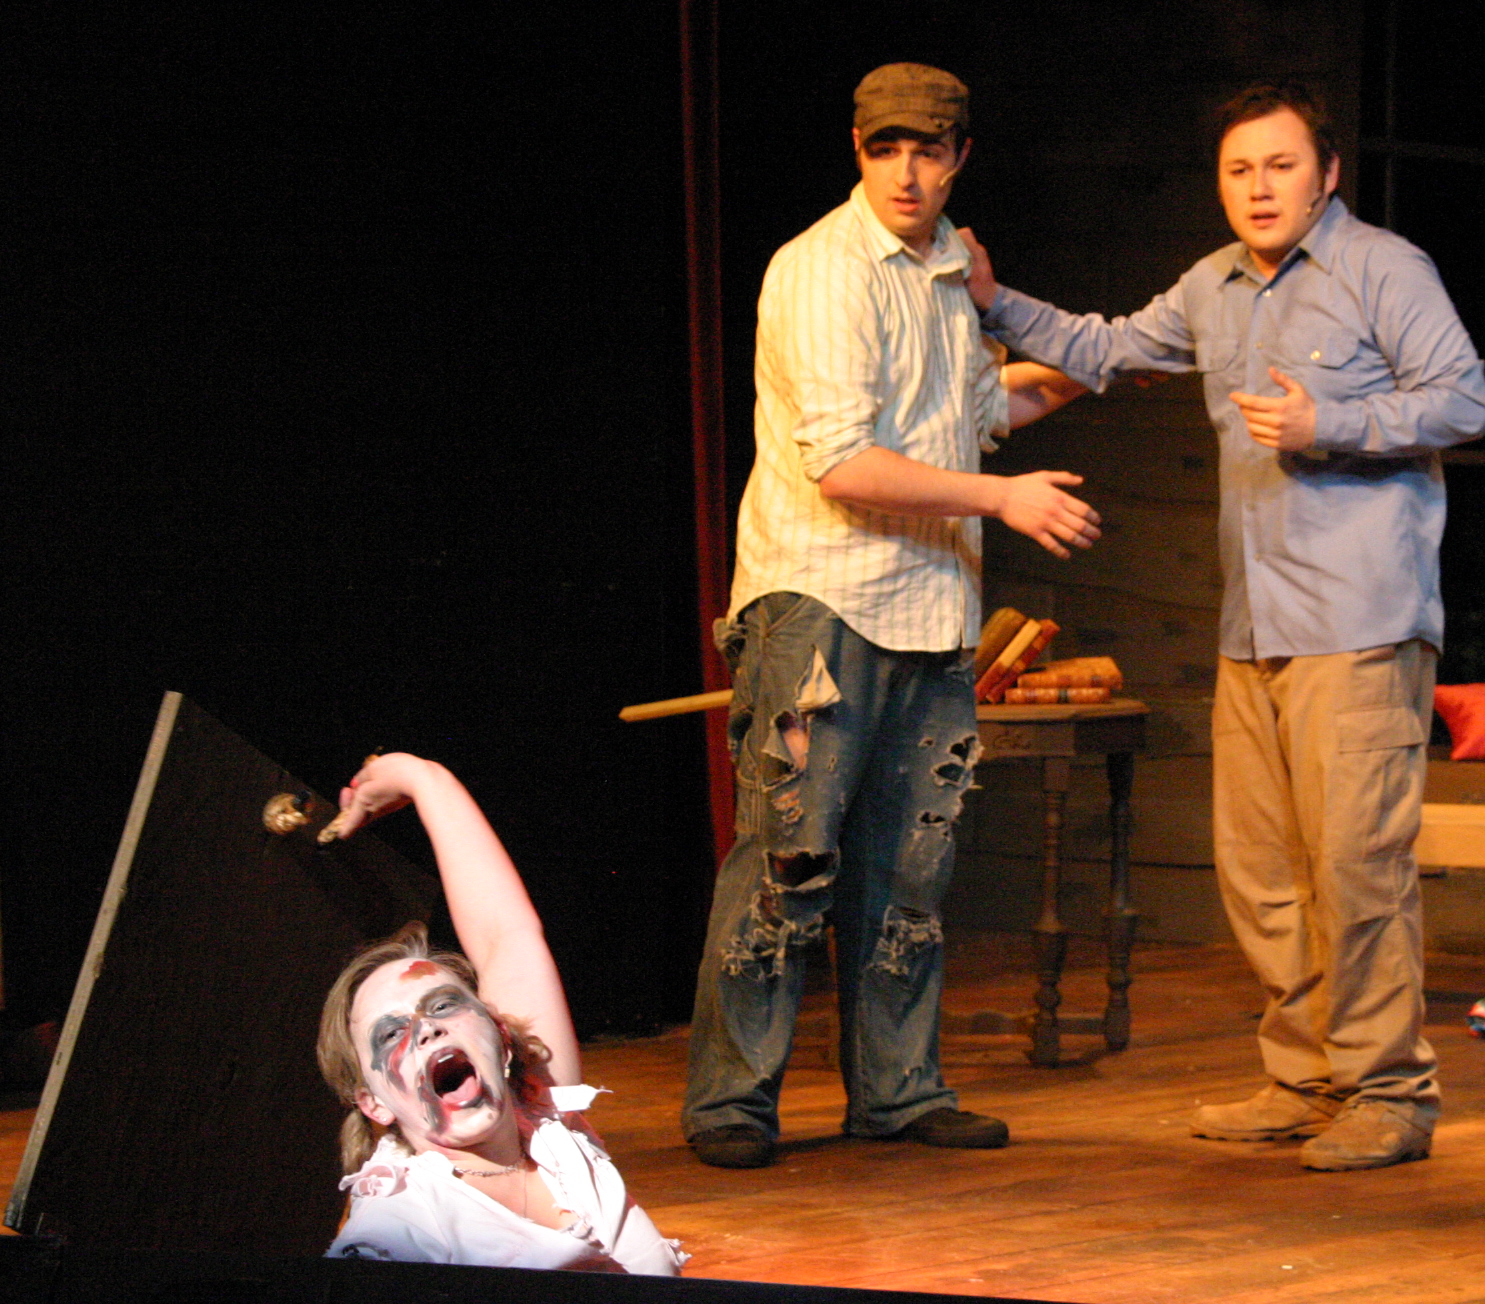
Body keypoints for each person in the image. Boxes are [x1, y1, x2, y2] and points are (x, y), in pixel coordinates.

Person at [970, 81, 1485, 1172]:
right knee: (1260, 870)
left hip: (1358, 619)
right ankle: (1304, 1079)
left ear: (1327, 174)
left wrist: (1328, 421)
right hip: (1254, 621)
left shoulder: (1382, 268)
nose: (1259, 188)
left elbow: (1462, 400)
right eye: (1238, 171)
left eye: (1280, 166)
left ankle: (1389, 1092)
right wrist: (994, 299)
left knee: (1356, 866)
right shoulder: (1212, 285)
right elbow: (1105, 349)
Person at [683, 62, 1099, 1171]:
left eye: (927, 150)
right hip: (822, 598)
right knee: (788, 856)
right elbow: (844, 464)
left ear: (960, 157)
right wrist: (1002, 501)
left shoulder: (951, 271)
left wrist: (1097, 370)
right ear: (858, 149)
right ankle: (733, 1099)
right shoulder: (823, 270)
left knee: (911, 871)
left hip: (930, 606)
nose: (906, 172)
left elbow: (979, 410)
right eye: (885, 149)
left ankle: (898, 1090)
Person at [317, 753, 685, 1273]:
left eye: (443, 1005)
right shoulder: (396, 1234)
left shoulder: (548, 1126)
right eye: (392, 1033)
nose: (427, 1030)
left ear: (501, 1035)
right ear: (373, 1103)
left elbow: (505, 935)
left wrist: (422, 777)